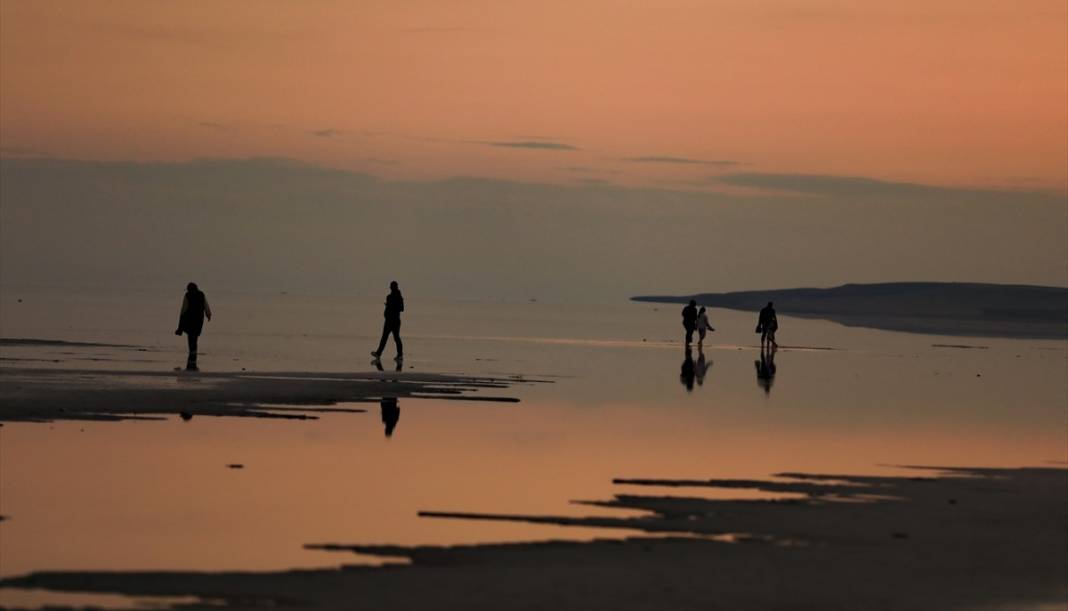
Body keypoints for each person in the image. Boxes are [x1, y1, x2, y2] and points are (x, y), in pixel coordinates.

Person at [174, 282, 212, 371]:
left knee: (191, 336)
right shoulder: (201, 294)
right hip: (199, 320)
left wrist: (180, 325)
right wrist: (208, 314)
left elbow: (184, 309)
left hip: (189, 319)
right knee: (195, 336)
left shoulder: (188, 295)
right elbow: (206, 305)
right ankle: (193, 353)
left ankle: (192, 352)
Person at [372, 281, 404, 360]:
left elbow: (402, 308)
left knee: (396, 338)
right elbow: (388, 308)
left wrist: (391, 306)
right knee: (384, 337)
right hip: (388, 320)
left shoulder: (399, 297)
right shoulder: (389, 297)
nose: (391, 288)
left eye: (392, 287)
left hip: (395, 321)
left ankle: (400, 355)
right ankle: (378, 353)